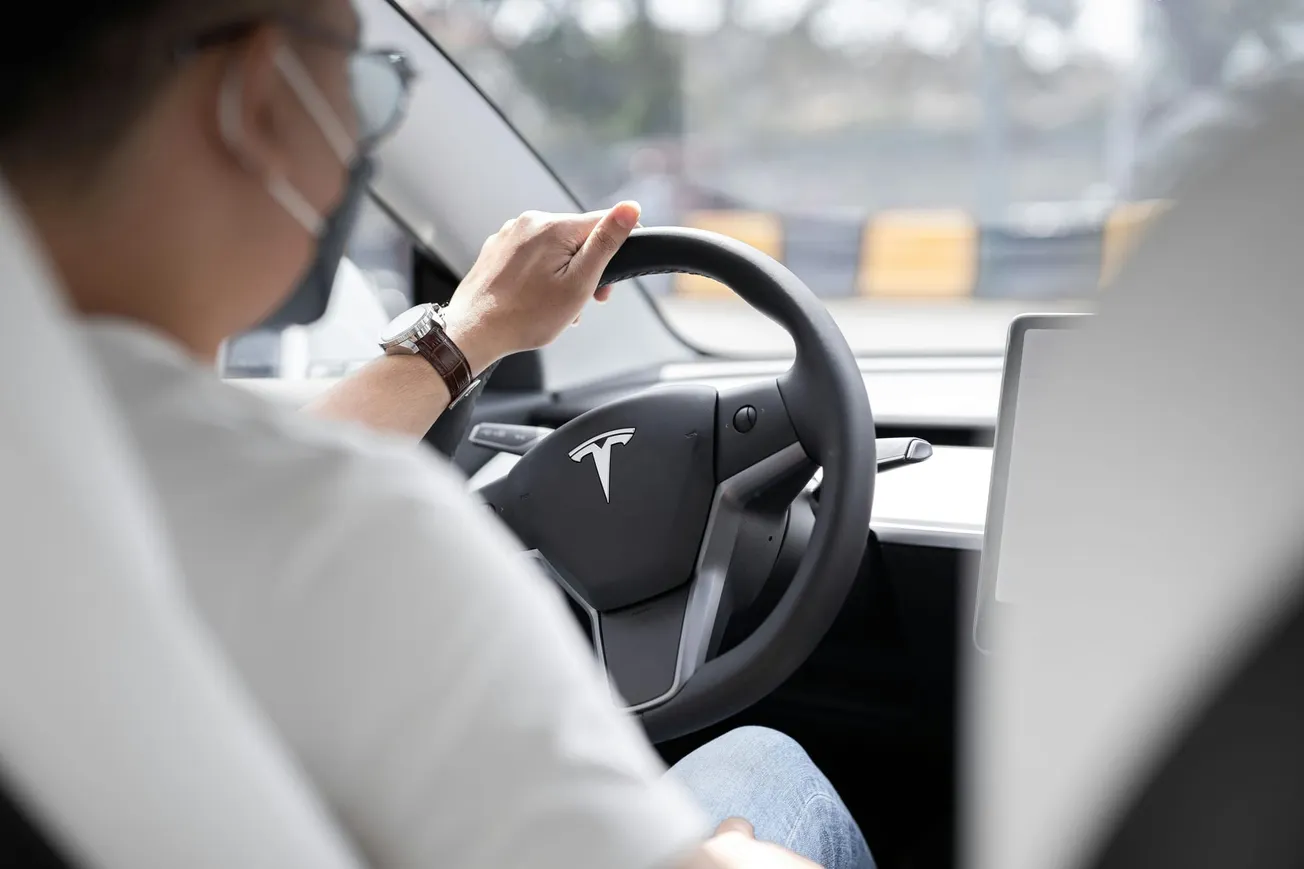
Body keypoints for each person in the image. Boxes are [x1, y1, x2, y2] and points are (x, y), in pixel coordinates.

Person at [0, 2, 875, 869]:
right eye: (365, 82)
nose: (360, 126)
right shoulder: (359, 535)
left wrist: (471, 332)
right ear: (258, 99)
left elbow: (232, 484)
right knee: (763, 767)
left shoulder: (70, 460)